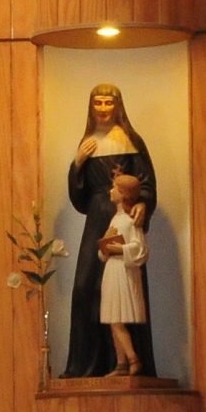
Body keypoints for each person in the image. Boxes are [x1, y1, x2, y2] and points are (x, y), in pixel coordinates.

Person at [62, 82, 156, 378]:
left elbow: (146, 183)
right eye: (98, 103)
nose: (103, 109)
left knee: (125, 290)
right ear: (91, 107)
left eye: (108, 103)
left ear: (118, 106)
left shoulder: (131, 141)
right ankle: (87, 366)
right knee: (85, 287)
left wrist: (142, 203)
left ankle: (128, 362)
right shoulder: (87, 142)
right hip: (96, 218)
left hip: (124, 217)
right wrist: (77, 164)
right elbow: (79, 198)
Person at [98, 168, 150, 377]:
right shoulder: (115, 220)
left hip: (122, 270)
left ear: (123, 194)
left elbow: (140, 248)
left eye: (114, 188)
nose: (110, 191)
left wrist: (120, 249)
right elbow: (105, 250)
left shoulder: (130, 220)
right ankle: (121, 364)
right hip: (112, 269)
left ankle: (133, 359)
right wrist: (105, 248)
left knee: (117, 319)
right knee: (113, 317)